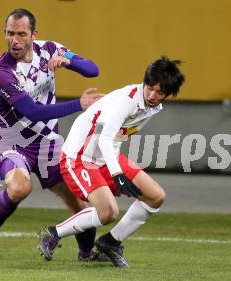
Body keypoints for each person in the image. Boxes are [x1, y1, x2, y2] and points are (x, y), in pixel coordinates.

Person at [0, 8, 105, 262]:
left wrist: (69, 61)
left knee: (80, 201)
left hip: (48, 143)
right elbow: (32, 112)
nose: (15, 40)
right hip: (13, 141)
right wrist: (79, 104)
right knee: (21, 187)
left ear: (34, 34)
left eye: (22, 34)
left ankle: (87, 254)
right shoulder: (1, 72)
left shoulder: (50, 49)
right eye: (10, 34)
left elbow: (92, 70)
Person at [38, 56, 185, 268]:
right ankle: (52, 234)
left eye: (160, 92)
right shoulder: (126, 100)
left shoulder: (152, 106)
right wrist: (118, 174)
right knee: (108, 213)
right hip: (78, 157)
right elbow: (106, 138)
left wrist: (115, 166)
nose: (152, 95)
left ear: (168, 94)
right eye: (150, 88)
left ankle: (111, 242)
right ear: (144, 83)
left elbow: (113, 139)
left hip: (106, 157)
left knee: (156, 196)